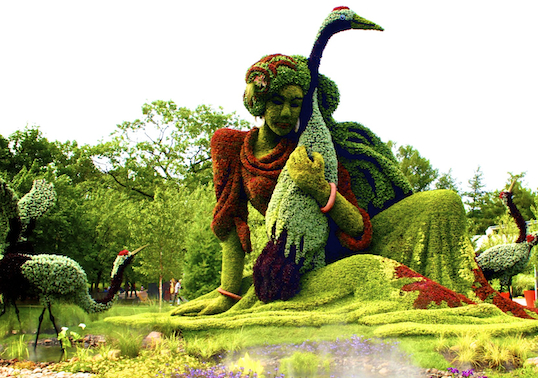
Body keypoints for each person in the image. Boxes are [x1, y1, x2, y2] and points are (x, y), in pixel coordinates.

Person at [173, 54, 474, 317]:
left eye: (295, 103)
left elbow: (358, 227)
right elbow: (231, 224)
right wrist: (227, 295)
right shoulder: (230, 145)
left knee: (443, 201)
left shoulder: (315, 149)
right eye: (277, 101)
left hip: (337, 253)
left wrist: (318, 188)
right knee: (370, 273)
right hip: (291, 264)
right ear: (259, 101)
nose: (286, 113)